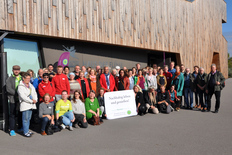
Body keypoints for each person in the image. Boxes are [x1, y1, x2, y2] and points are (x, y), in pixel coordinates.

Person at [17, 73, 37, 137]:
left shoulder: (30, 85)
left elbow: (34, 93)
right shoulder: (20, 86)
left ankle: (27, 130)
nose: (28, 80)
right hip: (25, 104)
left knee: (28, 118)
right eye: (27, 78)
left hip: (31, 105)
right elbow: (23, 97)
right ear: (23, 78)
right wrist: (31, 101)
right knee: (25, 119)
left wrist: (35, 99)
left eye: (29, 78)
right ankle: (25, 132)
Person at [6, 65, 23, 136]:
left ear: (19, 70)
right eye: (15, 70)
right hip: (13, 99)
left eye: (18, 70)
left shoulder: (22, 78)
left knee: (20, 113)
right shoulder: (9, 79)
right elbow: (8, 89)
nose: (16, 71)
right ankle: (12, 129)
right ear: (12, 70)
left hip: (20, 100)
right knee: (12, 114)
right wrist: (17, 93)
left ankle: (20, 127)